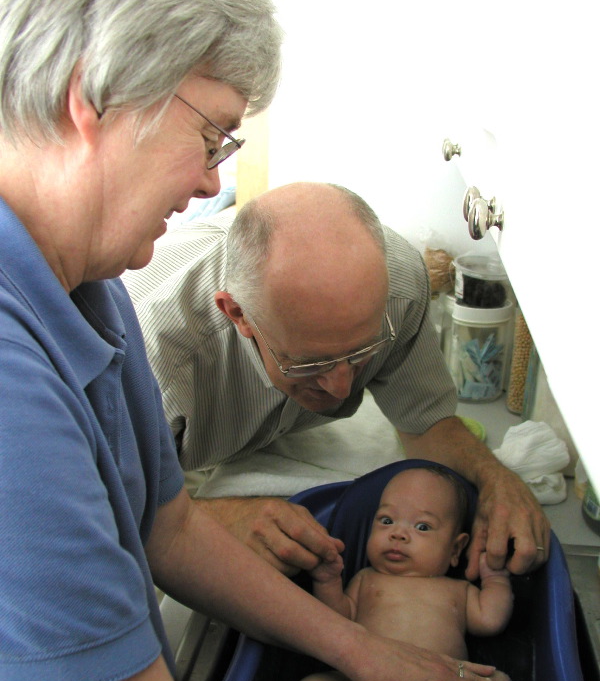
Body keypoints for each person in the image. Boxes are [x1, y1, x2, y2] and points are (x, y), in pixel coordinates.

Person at [0, 0, 518, 681]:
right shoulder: (22, 383)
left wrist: (363, 652)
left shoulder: (86, 284)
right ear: (93, 97)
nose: (213, 180)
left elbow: (166, 524)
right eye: (210, 136)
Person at [124, 181, 551, 579]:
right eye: (310, 364)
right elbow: (99, 519)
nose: (343, 390)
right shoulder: (147, 362)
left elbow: (425, 423)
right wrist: (214, 517)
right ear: (239, 316)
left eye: (361, 353)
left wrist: (495, 478)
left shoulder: (396, 285)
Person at [294, 465, 516, 681]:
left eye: (422, 527)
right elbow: (336, 622)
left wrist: (495, 577)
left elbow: (490, 619)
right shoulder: (366, 579)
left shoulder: (458, 591)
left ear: (455, 549)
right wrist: (327, 581)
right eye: (386, 521)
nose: (398, 534)